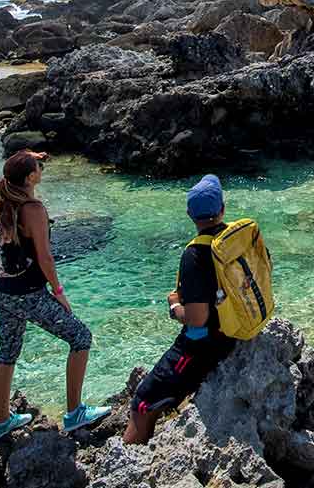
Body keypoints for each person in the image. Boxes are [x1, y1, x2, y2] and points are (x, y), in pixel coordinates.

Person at [0, 149, 110, 441]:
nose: (42, 168)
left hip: (3, 292)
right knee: (81, 337)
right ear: (31, 177)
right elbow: (45, 258)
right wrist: (59, 292)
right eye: (38, 166)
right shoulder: (33, 209)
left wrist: (26, 154)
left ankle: (1, 421)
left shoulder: (3, 204)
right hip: (29, 294)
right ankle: (75, 413)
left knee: (6, 354)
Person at [123, 174, 239, 445]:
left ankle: (131, 462)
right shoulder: (235, 241)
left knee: (142, 401)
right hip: (235, 332)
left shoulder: (196, 256)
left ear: (190, 214)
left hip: (204, 347)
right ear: (222, 209)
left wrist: (175, 305)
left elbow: (197, 320)